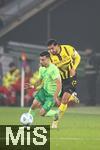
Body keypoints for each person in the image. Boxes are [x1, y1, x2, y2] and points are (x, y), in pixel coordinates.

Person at [47, 39, 81, 128]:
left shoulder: (68, 49)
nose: (51, 51)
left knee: (64, 100)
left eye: (52, 48)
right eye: (49, 49)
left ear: (57, 45)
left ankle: (55, 122)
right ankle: (72, 97)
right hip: (60, 80)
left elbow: (78, 57)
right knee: (60, 103)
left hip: (71, 77)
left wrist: (73, 68)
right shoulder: (49, 56)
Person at [29, 51, 62, 118]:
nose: (40, 62)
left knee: (41, 113)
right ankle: (27, 123)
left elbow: (59, 84)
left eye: (42, 60)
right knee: (34, 105)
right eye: (40, 60)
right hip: (44, 90)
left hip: (51, 94)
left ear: (48, 59)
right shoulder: (41, 68)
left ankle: (56, 113)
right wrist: (33, 86)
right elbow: (40, 80)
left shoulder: (53, 69)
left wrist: (55, 97)